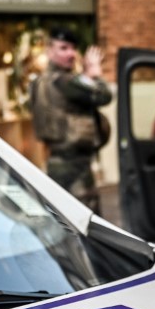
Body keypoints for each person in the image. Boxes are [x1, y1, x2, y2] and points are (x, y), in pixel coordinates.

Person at [30, 26, 112, 213]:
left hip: (54, 162)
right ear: (49, 51)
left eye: (73, 48)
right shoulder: (66, 82)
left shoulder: (39, 82)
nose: (71, 54)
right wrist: (95, 73)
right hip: (76, 168)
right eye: (64, 48)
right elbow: (104, 96)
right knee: (84, 224)